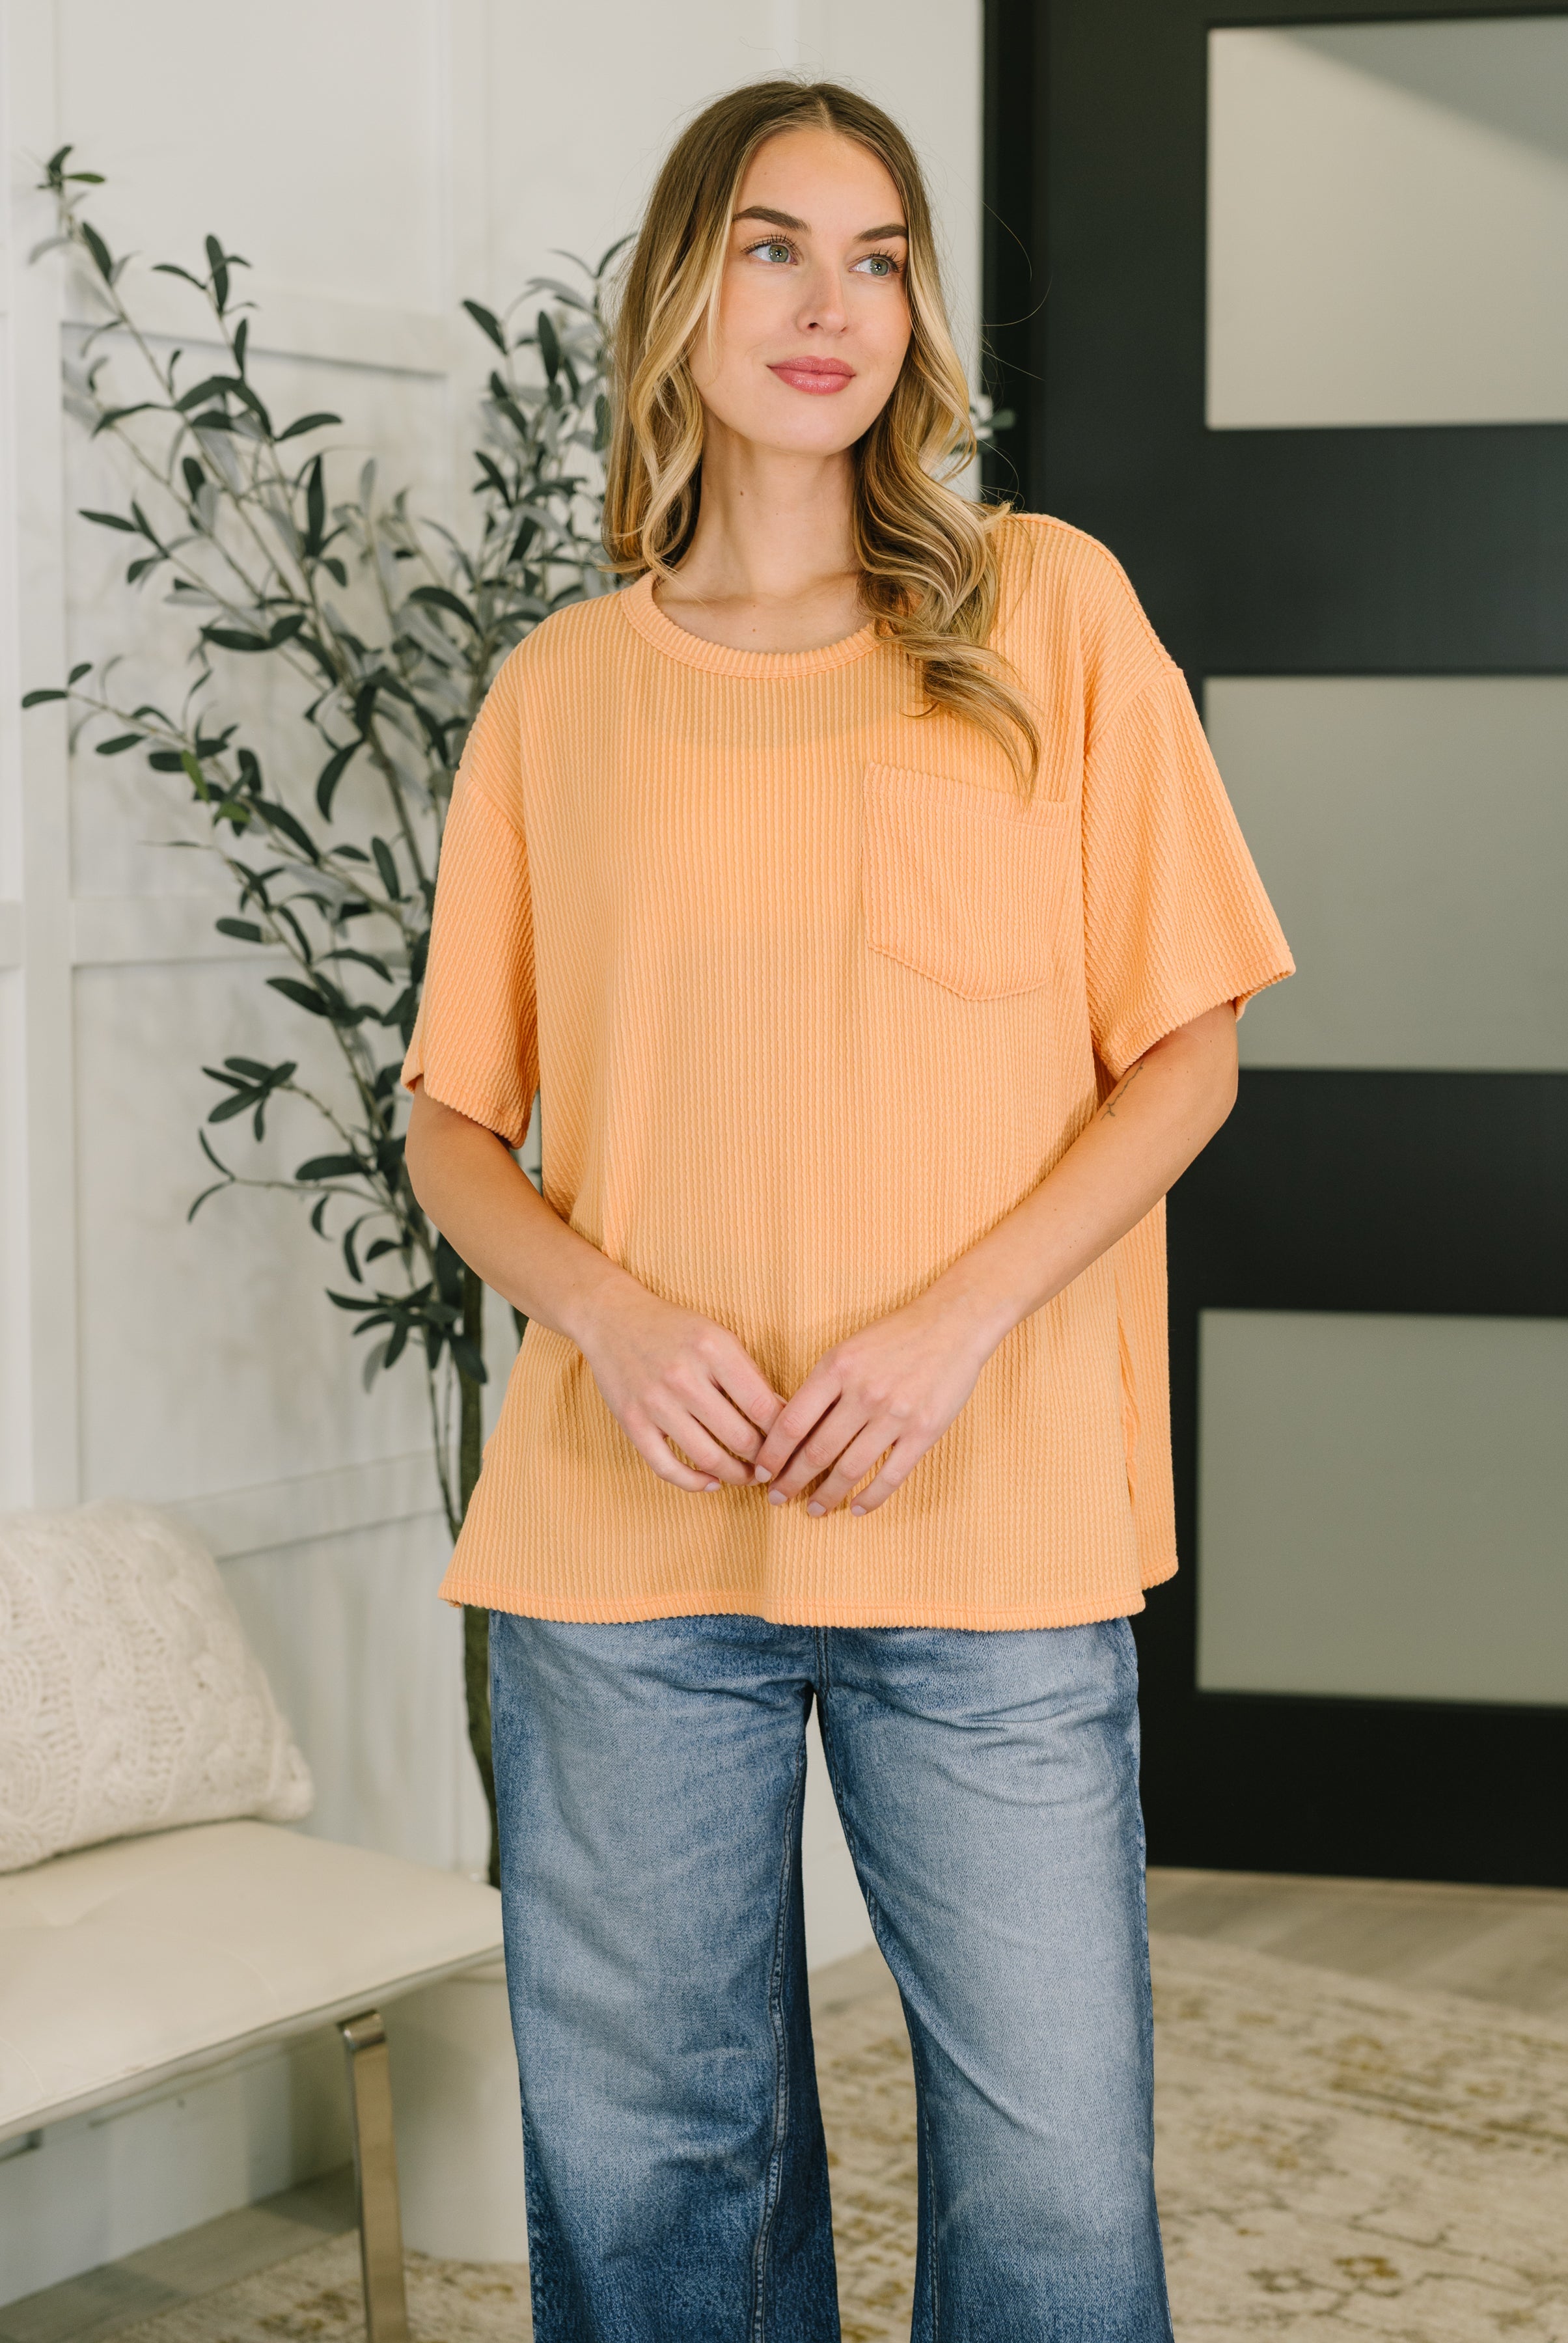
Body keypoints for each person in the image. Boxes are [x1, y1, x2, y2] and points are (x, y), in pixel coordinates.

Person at [403, 75, 1292, 2343]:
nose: (832, 303)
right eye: (777, 247)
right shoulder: (557, 699)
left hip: (985, 1522)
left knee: (1056, 2189)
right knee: (648, 2181)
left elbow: (1181, 1057)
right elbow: (451, 1133)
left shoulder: (1045, 609)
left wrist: (946, 1332)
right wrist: (607, 1312)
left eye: (878, 253)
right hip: (624, 1551)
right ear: (682, 293)